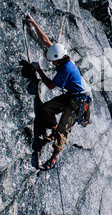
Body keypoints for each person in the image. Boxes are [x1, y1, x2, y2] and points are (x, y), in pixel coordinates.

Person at [23, 13, 87, 171]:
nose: (51, 63)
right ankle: (53, 129)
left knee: (63, 130)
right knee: (46, 109)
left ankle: (54, 157)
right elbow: (46, 42)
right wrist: (33, 23)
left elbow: (51, 86)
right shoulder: (63, 55)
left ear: (58, 60)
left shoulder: (66, 69)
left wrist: (38, 70)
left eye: (53, 61)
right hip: (72, 95)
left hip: (79, 101)